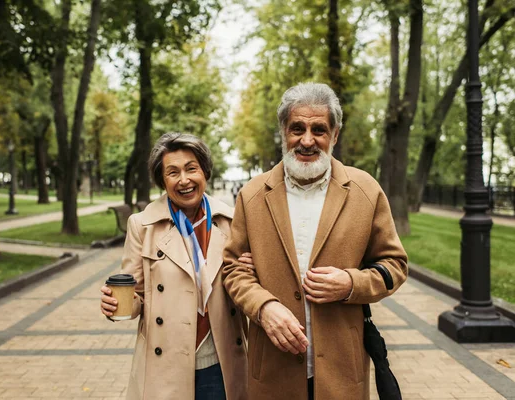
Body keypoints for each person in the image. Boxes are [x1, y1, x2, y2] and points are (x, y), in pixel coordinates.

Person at [222, 82, 408, 400]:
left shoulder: (366, 190)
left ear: (334, 135)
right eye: (297, 128)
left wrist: (351, 284)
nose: (307, 140)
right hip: (273, 371)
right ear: (283, 131)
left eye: (318, 129)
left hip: (341, 371)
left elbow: (395, 265)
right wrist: (262, 307)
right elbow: (232, 268)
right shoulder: (252, 195)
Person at [100, 132, 250, 400]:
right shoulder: (142, 225)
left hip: (220, 362)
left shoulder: (232, 220)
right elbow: (136, 297)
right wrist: (116, 305)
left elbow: (245, 284)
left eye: (191, 169)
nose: (184, 180)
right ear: (162, 180)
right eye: (173, 172)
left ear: (204, 172)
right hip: (165, 365)